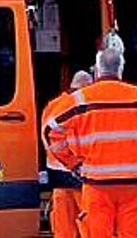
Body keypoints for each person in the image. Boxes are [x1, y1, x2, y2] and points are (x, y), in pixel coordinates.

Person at [46, 47, 137, 238]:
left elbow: (51, 131)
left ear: (98, 70)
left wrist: (72, 162)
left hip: (97, 184)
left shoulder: (81, 99)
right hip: (133, 183)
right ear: (121, 69)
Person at [41, 70, 92, 238]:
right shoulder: (82, 105)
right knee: (89, 224)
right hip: (79, 173)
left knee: (63, 227)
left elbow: (47, 136)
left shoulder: (52, 105)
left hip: (57, 175)